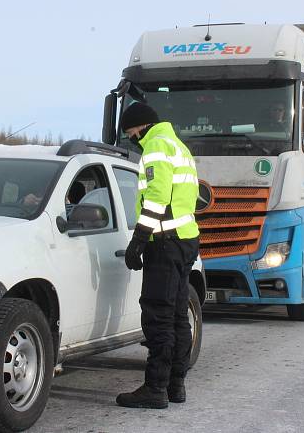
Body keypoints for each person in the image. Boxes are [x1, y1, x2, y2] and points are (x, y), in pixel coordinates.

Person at [115, 102, 200, 409]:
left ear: (141, 126)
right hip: (186, 240)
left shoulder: (155, 147)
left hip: (164, 242)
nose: (132, 139)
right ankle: (176, 385)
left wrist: (139, 239)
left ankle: (155, 389)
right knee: (178, 316)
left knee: (158, 315)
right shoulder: (179, 147)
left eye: (131, 133)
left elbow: (157, 197)